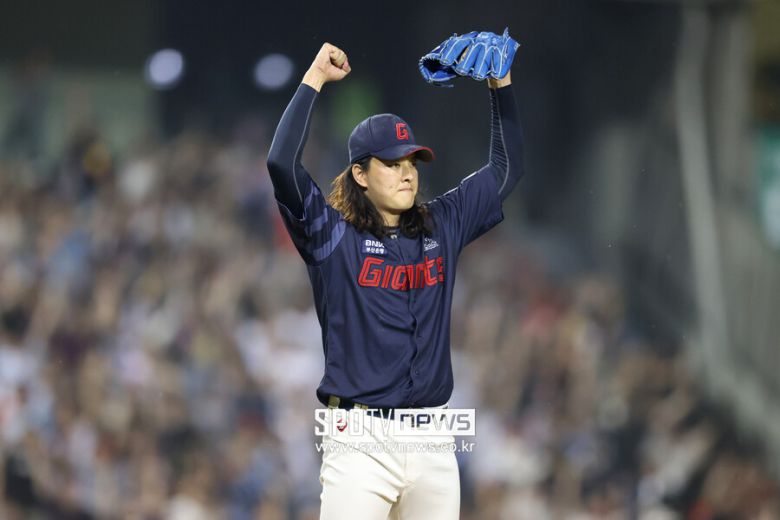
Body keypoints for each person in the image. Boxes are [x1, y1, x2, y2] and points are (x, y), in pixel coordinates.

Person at [266, 42, 524, 520]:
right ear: (360, 173)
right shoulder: (332, 236)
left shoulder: (442, 224)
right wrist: (315, 78)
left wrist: (500, 85)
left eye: (411, 163)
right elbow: (281, 163)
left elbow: (506, 170)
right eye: (392, 163)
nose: (407, 174)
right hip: (359, 441)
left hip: (432, 439)